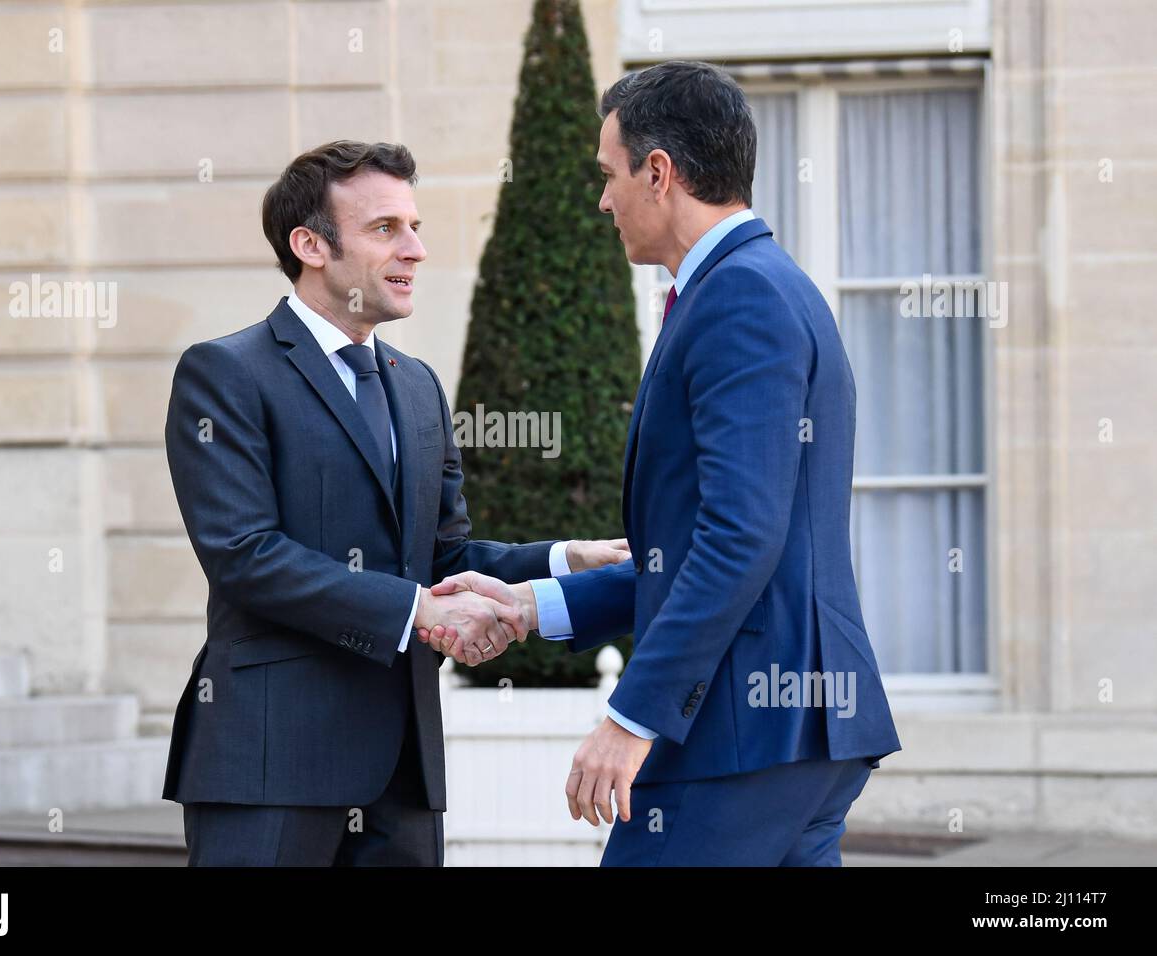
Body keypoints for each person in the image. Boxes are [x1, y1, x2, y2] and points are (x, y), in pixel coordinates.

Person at [421, 62, 902, 866]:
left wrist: (631, 717)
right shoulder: (755, 285)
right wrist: (528, 605)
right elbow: (701, 552)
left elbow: (739, 539)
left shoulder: (739, 297)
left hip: (741, 735)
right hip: (790, 734)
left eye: (608, 175)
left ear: (659, 172)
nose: (603, 200)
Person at [161, 140, 629, 866]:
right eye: (386, 229)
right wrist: (419, 612)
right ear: (310, 245)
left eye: (415, 227)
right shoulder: (225, 373)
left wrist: (564, 558)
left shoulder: (417, 387)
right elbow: (244, 555)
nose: (414, 249)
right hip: (269, 764)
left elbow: (440, 557)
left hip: (403, 771)